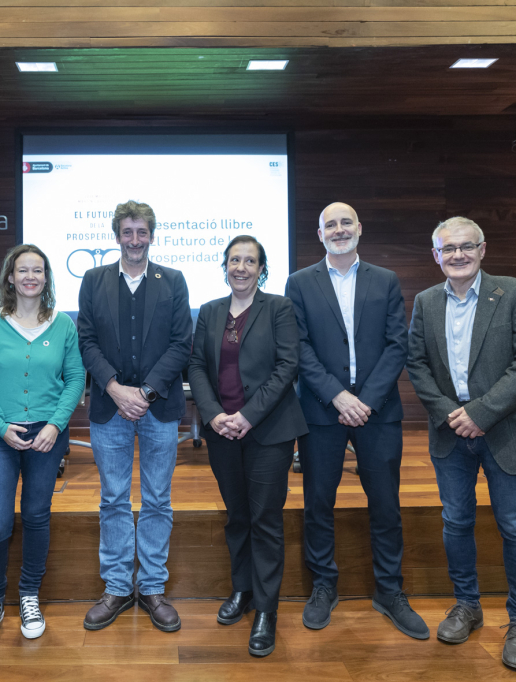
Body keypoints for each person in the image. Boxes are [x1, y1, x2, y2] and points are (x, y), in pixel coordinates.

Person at [406, 216, 516, 672]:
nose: (458, 255)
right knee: (456, 521)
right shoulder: (426, 302)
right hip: (451, 432)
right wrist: (453, 413)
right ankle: (467, 605)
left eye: (466, 247)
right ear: (436, 256)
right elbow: (417, 364)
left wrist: (481, 413)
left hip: (505, 431)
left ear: (483, 249)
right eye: (448, 249)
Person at [285, 202, 429, 640]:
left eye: (346, 222)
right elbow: (299, 348)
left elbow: (395, 346)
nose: (339, 229)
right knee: (318, 505)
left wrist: (363, 400)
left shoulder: (384, 280)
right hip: (322, 411)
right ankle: (325, 586)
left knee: (385, 504)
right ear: (320, 232)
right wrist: (338, 396)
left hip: (377, 411)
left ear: (360, 229)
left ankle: (389, 590)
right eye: (331, 223)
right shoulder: (299, 282)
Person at [188, 236, 307, 657]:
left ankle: (266, 609)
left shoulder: (278, 308)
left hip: (268, 431)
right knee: (237, 516)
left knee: (266, 520)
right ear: (224, 266)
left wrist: (247, 416)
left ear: (262, 268)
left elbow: (287, 365)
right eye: (234, 260)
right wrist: (214, 413)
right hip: (222, 431)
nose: (241, 267)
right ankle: (242, 590)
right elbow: (197, 366)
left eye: (250, 261)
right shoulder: (210, 311)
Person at [76, 200, 192, 632]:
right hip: (110, 407)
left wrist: (142, 393)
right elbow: (86, 340)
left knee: (158, 500)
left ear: (152, 235)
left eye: (142, 232)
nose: (135, 240)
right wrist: (113, 387)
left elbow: (182, 343)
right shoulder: (93, 280)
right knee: (113, 500)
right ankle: (118, 587)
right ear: (117, 235)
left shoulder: (173, 281)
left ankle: (154, 587)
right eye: (128, 232)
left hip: (158, 407)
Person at [0, 244, 86, 646]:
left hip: (47, 435)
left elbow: (75, 379)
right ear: (10, 277)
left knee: (36, 515)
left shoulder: (63, 324)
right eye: (23, 270)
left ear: (47, 278)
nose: (31, 276)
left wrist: (55, 425)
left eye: (38, 270)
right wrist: (0, 426)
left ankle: (29, 595)